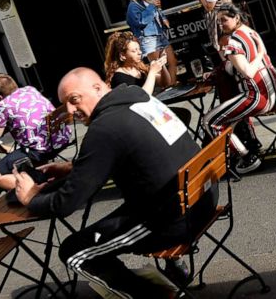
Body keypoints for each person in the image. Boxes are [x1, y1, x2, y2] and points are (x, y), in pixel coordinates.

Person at [13, 68, 216, 297]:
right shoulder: (140, 99)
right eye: (65, 103)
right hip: (202, 196)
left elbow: (65, 203)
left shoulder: (105, 127)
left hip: (172, 219)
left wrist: (30, 197)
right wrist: (73, 167)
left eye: (74, 100)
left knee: (74, 251)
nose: (69, 110)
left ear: (98, 88)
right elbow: (131, 148)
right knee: (99, 236)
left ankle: (155, 295)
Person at [203, 3, 276, 175]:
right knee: (227, 117)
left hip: (259, 98)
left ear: (236, 18)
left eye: (224, 20)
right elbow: (240, 65)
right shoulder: (249, 31)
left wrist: (260, 54)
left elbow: (247, 72)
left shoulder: (233, 43)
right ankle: (251, 145)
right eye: (218, 22)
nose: (220, 25)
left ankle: (246, 157)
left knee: (209, 121)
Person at [0, 74, 72, 191]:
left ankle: (37, 190)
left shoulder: (3, 105)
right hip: (61, 139)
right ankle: (40, 180)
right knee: (23, 160)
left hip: (40, 150)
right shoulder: (30, 90)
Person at [125, 0, 178, 86]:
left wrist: (163, 18)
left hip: (159, 34)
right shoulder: (132, 7)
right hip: (148, 38)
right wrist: (151, 6)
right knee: (158, 67)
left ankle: (173, 84)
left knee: (172, 60)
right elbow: (141, 21)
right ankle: (166, 88)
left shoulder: (146, 1)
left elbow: (157, 11)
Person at [103, 31, 169, 93]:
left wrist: (162, 64)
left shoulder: (139, 68)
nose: (140, 52)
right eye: (134, 51)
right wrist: (152, 72)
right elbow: (142, 98)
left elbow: (165, 83)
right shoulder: (119, 77)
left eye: (139, 49)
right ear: (123, 55)